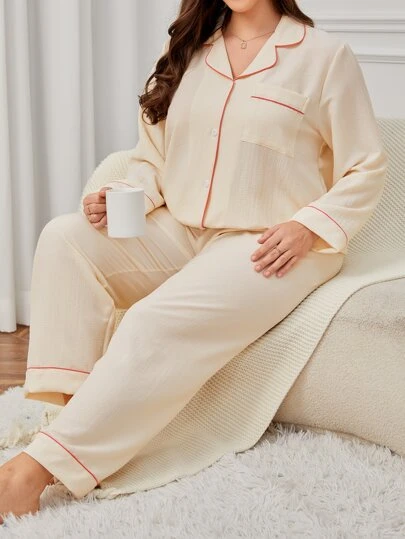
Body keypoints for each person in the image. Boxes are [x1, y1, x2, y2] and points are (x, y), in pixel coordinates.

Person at [0, 0, 387, 522]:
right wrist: (124, 195)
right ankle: (72, 419)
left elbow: (366, 166)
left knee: (153, 320)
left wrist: (310, 225)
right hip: (183, 227)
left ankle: (33, 473)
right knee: (64, 239)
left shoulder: (323, 56)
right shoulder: (187, 48)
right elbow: (152, 158)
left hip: (272, 242)